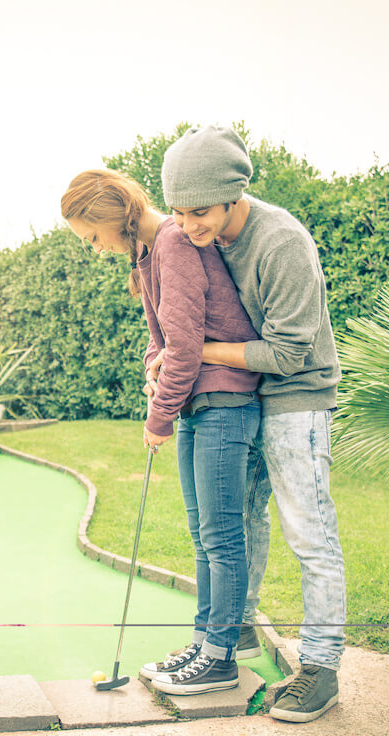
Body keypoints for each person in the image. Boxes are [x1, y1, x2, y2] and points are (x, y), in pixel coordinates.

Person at [150, 125, 347, 722]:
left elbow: (290, 353)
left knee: (308, 530)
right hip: (248, 394)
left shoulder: (282, 241)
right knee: (242, 522)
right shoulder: (201, 237)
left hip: (298, 397)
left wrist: (200, 351)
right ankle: (230, 636)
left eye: (200, 211)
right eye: (179, 212)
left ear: (235, 194)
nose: (188, 226)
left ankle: (320, 665)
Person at [61, 169, 261, 695]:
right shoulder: (148, 252)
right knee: (203, 535)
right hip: (201, 399)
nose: (97, 247)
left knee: (221, 535)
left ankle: (221, 655)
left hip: (224, 397)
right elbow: (163, 338)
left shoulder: (173, 242)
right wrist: (154, 367)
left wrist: (159, 420)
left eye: (93, 236)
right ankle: (205, 641)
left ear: (110, 216)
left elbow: (189, 344)